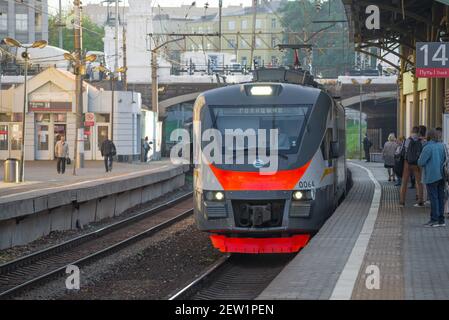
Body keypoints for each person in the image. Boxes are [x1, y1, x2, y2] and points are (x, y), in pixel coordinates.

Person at [418, 129, 446, 227]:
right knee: (441, 198)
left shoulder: (428, 147)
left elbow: (420, 162)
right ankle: (441, 220)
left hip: (431, 176)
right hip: (442, 175)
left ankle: (434, 220)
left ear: (428, 136)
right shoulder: (442, 146)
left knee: (433, 198)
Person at [400, 126, 424, 207]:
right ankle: (420, 200)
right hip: (417, 163)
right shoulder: (421, 141)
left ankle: (402, 201)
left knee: (404, 182)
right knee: (419, 182)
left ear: (411, 131)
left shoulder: (407, 140)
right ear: (418, 132)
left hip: (407, 163)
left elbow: (403, 152)